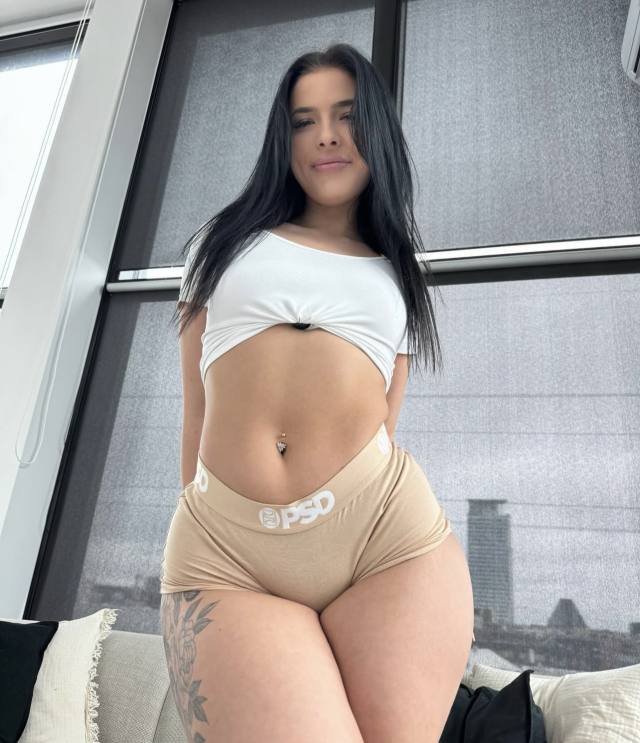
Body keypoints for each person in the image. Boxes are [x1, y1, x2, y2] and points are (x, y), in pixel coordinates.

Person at [159, 43, 475, 743]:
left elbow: (384, 424)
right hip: (229, 550)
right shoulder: (222, 243)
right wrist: (203, 521)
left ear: (377, 132)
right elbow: (196, 404)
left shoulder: (397, 275)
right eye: (303, 121)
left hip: (385, 544)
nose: (326, 135)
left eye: (346, 116)